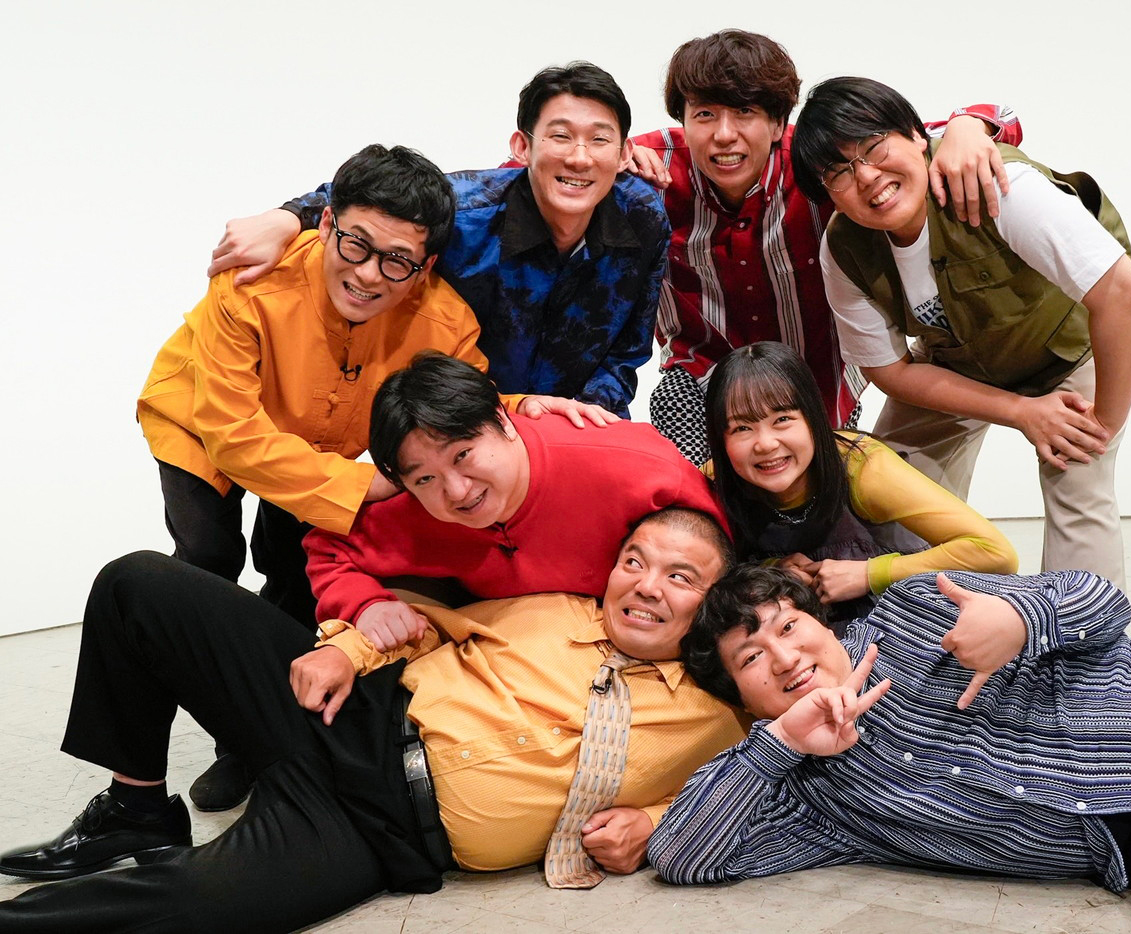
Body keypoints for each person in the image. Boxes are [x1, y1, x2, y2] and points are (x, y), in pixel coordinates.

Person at [0, 508, 747, 932]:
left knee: (195, 909)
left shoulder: (716, 723)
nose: (645, 587)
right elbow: (418, 626)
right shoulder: (555, 610)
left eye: (679, 577)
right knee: (138, 584)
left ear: (714, 602)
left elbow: (729, 802)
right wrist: (345, 651)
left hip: (376, 833)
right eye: (634, 561)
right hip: (346, 715)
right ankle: (136, 812)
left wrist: (650, 824)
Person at [136, 145, 610, 811]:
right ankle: (157, 760)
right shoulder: (251, 283)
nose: (367, 274)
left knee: (298, 575)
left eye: (396, 261)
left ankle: (248, 745)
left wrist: (526, 405)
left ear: (426, 265)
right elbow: (232, 431)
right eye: (355, 244)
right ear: (327, 222)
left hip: (315, 445)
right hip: (202, 423)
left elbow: (466, 404)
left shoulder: (444, 319)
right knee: (207, 560)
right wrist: (361, 486)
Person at [651, 564, 1131, 933]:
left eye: (787, 627)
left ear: (819, 620)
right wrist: (784, 743)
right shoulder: (809, 801)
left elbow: (1102, 598)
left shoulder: (912, 609)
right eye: (751, 659)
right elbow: (682, 855)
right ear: (741, 700)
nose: (783, 657)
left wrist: (1021, 618)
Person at [792, 77, 1131, 587]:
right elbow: (889, 371)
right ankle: (916, 615)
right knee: (884, 485)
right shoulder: (843, 251)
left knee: (1079, 485)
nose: (867, 176)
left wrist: (1102, 427)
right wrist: (1020, 411)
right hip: (957, 360)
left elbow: (1119, 290)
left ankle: (1084, 630)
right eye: (839, 172)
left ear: (916, 135)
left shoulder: (998, 184)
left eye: (874, 147)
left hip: (1068, 349)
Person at [629, 29, 1023, 464]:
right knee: (691, 491)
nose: (724, 135)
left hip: (818, 386)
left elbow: (939, 135)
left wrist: (967, 127)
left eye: (745, 112)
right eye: (704, 114)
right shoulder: (649, 168)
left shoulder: (823, 163)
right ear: (683, 121)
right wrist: (612, 163)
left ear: (777, 123)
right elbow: (577, 159)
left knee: (821, 501)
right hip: (700, 378)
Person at [206, 62, 667, 417]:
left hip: (574, 425)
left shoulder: (643, 218)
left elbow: (626, 351)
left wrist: (580, 420)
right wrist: (287, 217)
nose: (580, 158)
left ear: (624, 151)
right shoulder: (466, 211)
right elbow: (377, 198)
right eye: (560, 136)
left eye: (599, 140)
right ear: (522, 147)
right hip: (456, 425)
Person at [303, 351, 726, 652]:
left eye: (463, 455)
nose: (457, 491)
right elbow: (328, 547)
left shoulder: (633, 468)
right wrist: (365, 605)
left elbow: (720, 549)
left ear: (503, 419)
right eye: (426, 478)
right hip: (519, 655)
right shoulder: (416, 510)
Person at [705, 341, 1016, 625]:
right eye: (742, 428)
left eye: (782, 420)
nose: (765, 444)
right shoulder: (712, 482)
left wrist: (869, 574)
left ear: (813, 419)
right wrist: (771, 570)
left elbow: (995, 552)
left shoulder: (861, 466)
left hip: (910, 616)